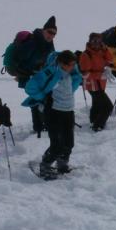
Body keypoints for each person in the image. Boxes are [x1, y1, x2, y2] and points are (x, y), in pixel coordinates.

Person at [23, 50, 82, 179]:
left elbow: (74, 83)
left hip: (68, 111)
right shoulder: (50, 72)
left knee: (69, 143)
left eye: (74, 64)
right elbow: (30, 87)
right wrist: (43, 97)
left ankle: (62, 163)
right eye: (71, 64)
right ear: (62, 64)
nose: (74, 66)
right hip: (53, 112)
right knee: (57, 145)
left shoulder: (72, 73)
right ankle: (45, 165)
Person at [8, 16, 57, 134]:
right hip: (29, 76)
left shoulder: (50, 44)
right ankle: (39, 127)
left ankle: (43, 125)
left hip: (41, 76)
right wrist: (23, 73)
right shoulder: (32, 43)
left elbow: (51, 59)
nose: (51, 35)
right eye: (49, 32)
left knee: (44, 98)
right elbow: (17, 60)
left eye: (54, 33)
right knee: (37, 99)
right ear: (43, 30)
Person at [79, 33, 114, 131]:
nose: (96, 43)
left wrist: (106, 49)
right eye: (94, 41)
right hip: (92, 85)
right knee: (108, 106)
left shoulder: (101, 52)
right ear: (90, 41)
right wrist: (101, 75)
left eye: (99, 41)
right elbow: (85, 74)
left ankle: (93, 121)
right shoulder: (86, 55)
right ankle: (98, 126)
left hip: (100, 83)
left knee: (97, 104)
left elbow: (110, 60)